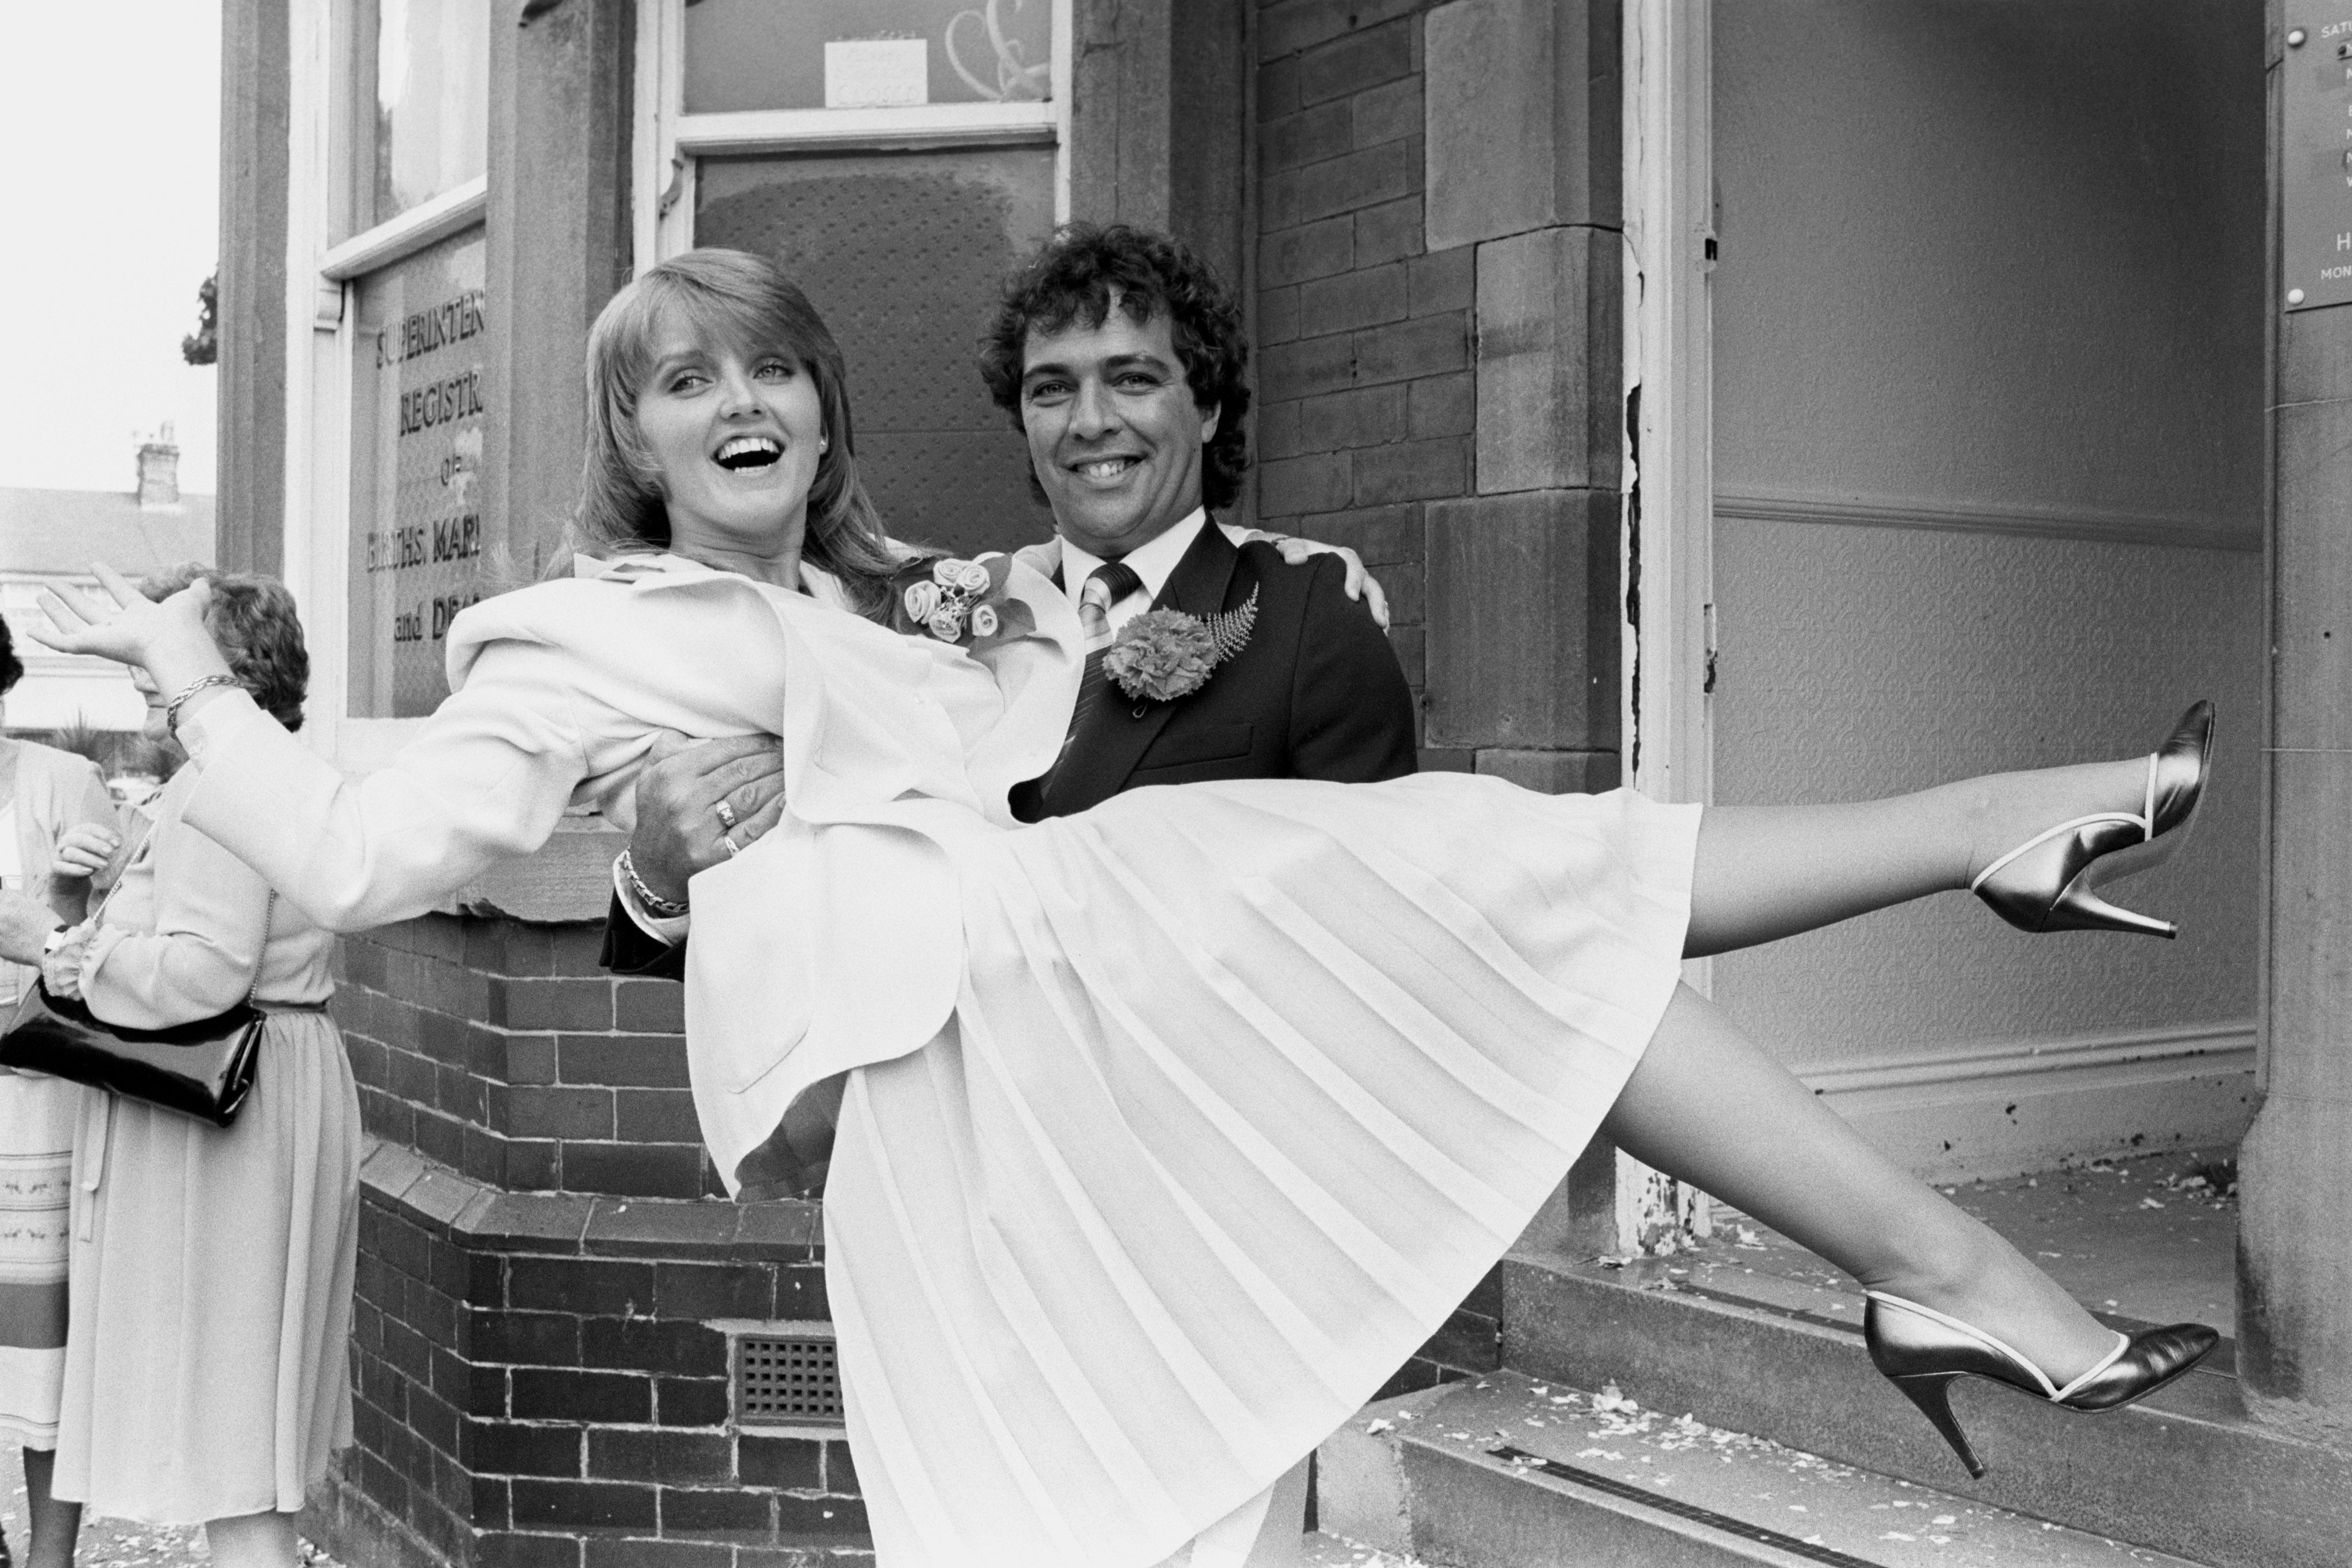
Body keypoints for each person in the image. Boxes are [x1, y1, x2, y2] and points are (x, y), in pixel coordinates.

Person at [34, 249, 2216, 1568]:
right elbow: (353, 859)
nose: (739, 402)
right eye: (682, 380)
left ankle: (1957, 1131)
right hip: (951, 1084)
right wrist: (206, 681)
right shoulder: (573, 629)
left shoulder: (916, 602)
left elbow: (1069, 727)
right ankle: (1971, 952)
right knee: (1082, 1499)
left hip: (1111, 1055)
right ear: (626, 432)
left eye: (768, 365)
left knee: (1496, 903)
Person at [602, 227, 1415, 1044]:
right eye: (1052, 390)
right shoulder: (928, 618)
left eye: (1132, 379)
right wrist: (657, 883)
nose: (1091, 421)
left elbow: (1378, 949)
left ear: (1205, 408)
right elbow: (783, 903)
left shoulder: (1312, 617)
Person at [0, 568, 357, 1568]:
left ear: (220, 668)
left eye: (159, 651)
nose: (140, 682)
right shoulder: (268, 773)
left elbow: (204, 970)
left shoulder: (221, 787)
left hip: (225, 1126)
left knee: (229, 1446)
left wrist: (55, 948)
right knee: (239, 1436)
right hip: (262, 1096)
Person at [0, 618, 118, 1568]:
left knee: (45, 1346)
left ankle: (51, 1556)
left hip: (36, 1109)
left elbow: (121, 957)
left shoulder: (62, 787)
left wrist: (58, 918)